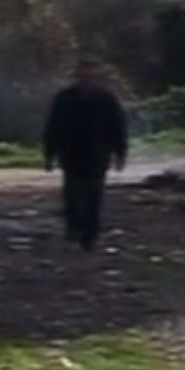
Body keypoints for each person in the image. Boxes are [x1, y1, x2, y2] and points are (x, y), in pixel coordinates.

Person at [42, 59, 129, 251]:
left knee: (94, 196)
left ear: (97, 78)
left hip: (97, 155)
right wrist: (49, 155)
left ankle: (90, 236)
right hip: (71, 154)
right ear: (76, 78)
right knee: (72, 194)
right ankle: (73, 227)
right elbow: (53, 127)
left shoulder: (107, 100)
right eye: (83, 76)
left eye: (91, 76)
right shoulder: (64, 99)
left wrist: (120, 154)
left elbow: (118, 128)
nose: (86, 80)